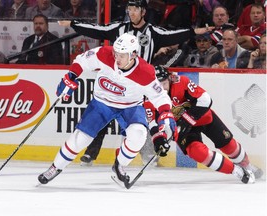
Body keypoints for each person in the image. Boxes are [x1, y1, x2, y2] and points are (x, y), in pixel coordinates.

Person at [58, 0, 200, 165]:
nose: (131, 13)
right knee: (103, 112)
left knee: (141, 121)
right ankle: (91, 153)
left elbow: (176, 35)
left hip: (138, 85)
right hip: (116, 78)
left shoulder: (152, 32)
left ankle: (145, 155)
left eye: (135, 9)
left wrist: (199, 31)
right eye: (129, 9)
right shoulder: (120, 28)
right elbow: (98, 30)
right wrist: (73, 23)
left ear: (143, 12)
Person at [37, 33, 178, 185]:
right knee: (80, 138)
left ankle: (119, 166)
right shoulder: (105, 53)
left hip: (130, 107)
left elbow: (159, 97)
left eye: (122, 55)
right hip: (101, 103)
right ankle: (55, 167)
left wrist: (166, 113)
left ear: (134, 55)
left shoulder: (145, 71)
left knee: (138, 135)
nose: (117, 58)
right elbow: (82, 60)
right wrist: (71, 76)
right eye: (116, 53)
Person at [146, 65, 263, 184]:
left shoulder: (181, 82)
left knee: (229, 145)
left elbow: (205, 99)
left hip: (202, 118)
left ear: (170, 79)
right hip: (184, 130)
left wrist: (186, 120)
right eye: (157, 86)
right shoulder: (148, 99)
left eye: (164, 83)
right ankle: (236, 171)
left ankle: (246, 165)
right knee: (197, 152)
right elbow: (153, 124)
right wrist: (159, 141)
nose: (162, 89)